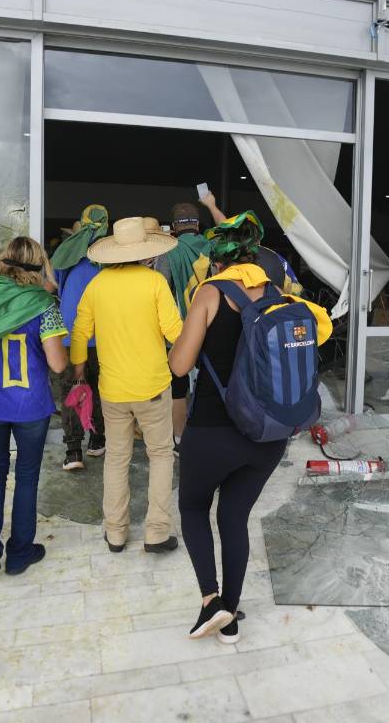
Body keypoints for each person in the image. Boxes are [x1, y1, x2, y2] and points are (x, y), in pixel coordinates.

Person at [170, 211, 330, 642]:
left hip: (213, 432)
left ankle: (210, 601)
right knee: (235, 516)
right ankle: (232, 617)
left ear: (215, 260)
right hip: (268, 434)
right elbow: (320, 332)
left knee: (192, 508)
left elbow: (180, 365)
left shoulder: (210, 293)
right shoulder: (279, 295)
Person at [70, 217, 183, 554]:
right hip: (152, 386)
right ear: (145, 253)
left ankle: (116, 533)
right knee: (161, 456)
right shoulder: (155, 282)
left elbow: (79, 332)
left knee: (117, 459)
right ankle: (156, 533)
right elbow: (175, 332)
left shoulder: (97, 285)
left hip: (113, 391)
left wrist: (79, 372)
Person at [0, 236, 69, 579]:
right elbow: (57, 365)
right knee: (26, 476)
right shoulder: (43, 304)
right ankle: (20, 553)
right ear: (39, 264)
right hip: (30, 406)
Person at [50, 205, 109, 470]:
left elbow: (57, 286)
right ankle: (97, 440)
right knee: (100, 389)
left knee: (73, 389)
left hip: (71, 335)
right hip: (104, 336)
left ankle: (73, 451)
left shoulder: (67, 252)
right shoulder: (112, 252)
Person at [160, 202, 213, 442]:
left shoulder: (169, 251)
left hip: (179, 332)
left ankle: (180, 437)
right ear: (197, 224)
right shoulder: (213, 246)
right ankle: (206, 432)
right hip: (213, 326)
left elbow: (160, 289)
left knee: (177, 388)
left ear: (173, 227)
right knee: (210, 383)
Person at [200, 190, 302, 295]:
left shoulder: (225, 260)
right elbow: (297, 294)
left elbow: (228, 228)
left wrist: (211, 205)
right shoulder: (275, 259)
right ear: (258, 237)